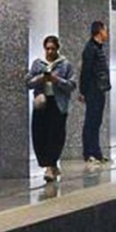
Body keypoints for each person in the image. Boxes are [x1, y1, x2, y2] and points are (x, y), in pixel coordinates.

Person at [28, 36, 76, 182]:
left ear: (57, 49)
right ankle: (49, 164)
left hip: (58, 103)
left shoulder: (65, 65)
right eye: (47, 49)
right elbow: (28, 82)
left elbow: (71, 85)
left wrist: (56, 80)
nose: (49, 52)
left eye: (52, 49)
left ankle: (50, 166)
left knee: (55, 134)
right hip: (42, 102)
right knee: (40, 134)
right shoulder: (38, 64)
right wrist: (40, 79)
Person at [79, 20, 111, 164]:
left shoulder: (98, 48)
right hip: (93, 89)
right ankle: (89, 153)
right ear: (99, 31)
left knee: (96, 121)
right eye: (105, 30)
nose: (107, 33)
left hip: (99, 89)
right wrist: (83, 91)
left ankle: (96, 152)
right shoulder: (90, 49)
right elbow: (85, 71)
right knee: (91, 121)